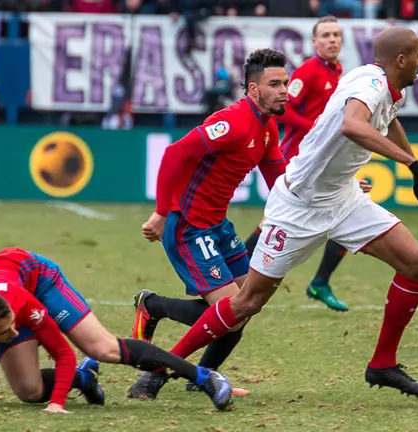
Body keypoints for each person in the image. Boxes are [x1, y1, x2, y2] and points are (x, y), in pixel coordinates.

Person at [134, 26, 418, 399]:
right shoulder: (366, 85)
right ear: (401, 60)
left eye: (285, 83)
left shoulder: (381, 88)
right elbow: (352, 124)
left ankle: (382, 364)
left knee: (416, 262)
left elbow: (387, 119)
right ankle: (160, 369)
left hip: (339, 198)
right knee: (246, 304)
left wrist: (407, 165)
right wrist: (412, 164)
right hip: (297, 209)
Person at [130, 48, 290, 397]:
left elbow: (282, 178)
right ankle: (158, 368)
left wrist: (337, 186)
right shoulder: (233, 122)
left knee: (248, 305)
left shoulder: (267, 128)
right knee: (235, 308)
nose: (283, 90)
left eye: (286, 83)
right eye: (274, 84)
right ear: (253, 89)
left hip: (217, 225)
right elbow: (175, 153)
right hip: (189, 227)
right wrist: (161, 211)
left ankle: (197, 369)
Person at [0, 248, 233, 412]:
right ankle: (84, 379)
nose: (13, 333)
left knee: (101, 348)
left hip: (36, 278)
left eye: (12, 326)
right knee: (28, 391)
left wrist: (57, 403)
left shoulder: (19, 307)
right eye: (4, 333)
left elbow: (62, 351)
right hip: (4, 294)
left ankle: (204, 376)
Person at [242, 15, 350, 312]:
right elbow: (283, 109)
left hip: (323, 159)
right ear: (315, 43)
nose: (332, 39)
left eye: (336, 35)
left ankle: (320, 282)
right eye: (325, 35)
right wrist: (313, 126)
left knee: (345, 211)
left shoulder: (338, 71)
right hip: (298, 158)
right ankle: (237, 271)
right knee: (274, 222)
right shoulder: (308, 72)